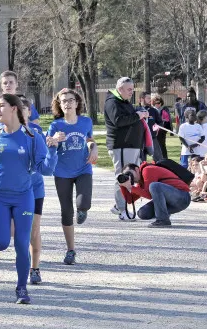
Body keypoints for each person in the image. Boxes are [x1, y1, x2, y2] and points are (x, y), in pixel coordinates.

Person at [0, 94, 48, 305]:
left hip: (24, 197)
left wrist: (51, 150)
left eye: (1, 106)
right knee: (0, 243)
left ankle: (22, 288)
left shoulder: (32, 136)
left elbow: (45, 168)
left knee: (22, 243)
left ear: (14, 108)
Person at [47, 89, 96, 268]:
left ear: (77, 103)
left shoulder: (85, 121)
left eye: (70, 100)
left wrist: (94, 148)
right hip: (62, 172)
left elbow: (89, 139)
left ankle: (83, 209)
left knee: (83, 203)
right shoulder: (56, 125)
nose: (67, 103)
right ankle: (70, 250)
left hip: (83, 168)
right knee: (66, 211)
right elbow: (48, 144)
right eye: (63, 101)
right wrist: (54, 139)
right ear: (59, 105)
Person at [21, 98, 59, 285]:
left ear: (30, 112)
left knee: (33, 229)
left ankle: (34, 268)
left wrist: (52, 150)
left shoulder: (37, 133)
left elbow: (46, 168)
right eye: (18, 109)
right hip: (13, 190)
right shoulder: (3, 134)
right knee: (15, 230)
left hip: (35, 188)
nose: (21, 112)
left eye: (25, 109)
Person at [104, 77, 148, 220]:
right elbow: (118, 121)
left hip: (131, 145)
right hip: (121, 145)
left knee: (131, 176)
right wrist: (137, 116)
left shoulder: (124, 102)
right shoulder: (112, 102)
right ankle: (122, 209)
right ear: (120, 89)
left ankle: (119, 205)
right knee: (123, 176)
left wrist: (139, 114)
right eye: (129, 89)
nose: (131, 92)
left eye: (132, 89)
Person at [119, 162, 191, 227]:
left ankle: (163, 220)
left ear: (137, 169)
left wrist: (131, 187)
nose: (129, 177)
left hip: (182, 197)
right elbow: (130, 200)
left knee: (154, 186)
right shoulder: (141, 182)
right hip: (171, 203)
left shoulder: (147, 170)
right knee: (143, 213)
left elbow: (149, 194)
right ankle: (164, 214)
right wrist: (123, 186)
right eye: (126, 175)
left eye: (129, 173)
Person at [138, 91, 164, 162]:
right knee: (141, 161)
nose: (150, 100)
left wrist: (158, 127)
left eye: (150, 98)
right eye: (148, 98)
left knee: (159, 159)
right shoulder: (136, 110)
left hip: (152, 138)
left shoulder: (153, 111)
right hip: (140, 140)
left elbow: (160, 122)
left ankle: (160, 172)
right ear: (142, 99)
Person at [151, 94, 173, 159]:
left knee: (162, 145)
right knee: (154, 146)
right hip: (154, 130)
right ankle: (156, 160)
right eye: (155, 103)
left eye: (159, 103)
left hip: (162, 130)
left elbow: (168, 119)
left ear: (161, 102)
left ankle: (164, 159)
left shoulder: (164, 109)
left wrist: (170, 129)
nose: (157, 104)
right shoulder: (152, 110)